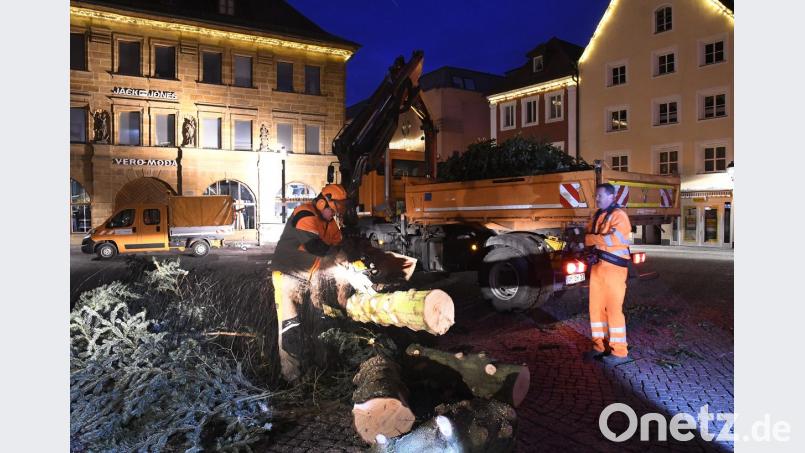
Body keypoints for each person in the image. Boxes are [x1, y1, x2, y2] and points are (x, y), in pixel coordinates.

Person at [270, 183, 349, 381]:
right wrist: (337, 255)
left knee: (319, 323)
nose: (333, 215)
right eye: (332, 210)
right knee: (291, 328)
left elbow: (340, 245)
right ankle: (292, 378)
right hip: (288, 276)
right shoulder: (304, 214)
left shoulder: (330, 223)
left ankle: (318, 371)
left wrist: (349, 257)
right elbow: (316, 247)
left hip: (311, 278)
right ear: (323, 202)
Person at [584, 183, 633, 365]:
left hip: (614, 269)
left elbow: (614, 239)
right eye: (596, 196)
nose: (597, 199)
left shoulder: (620, 216)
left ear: (611, 197)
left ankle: (619, 352)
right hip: (598, 268)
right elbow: (588, 232)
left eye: (600, 196)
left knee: (613, 310)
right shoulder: (598, 215)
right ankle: (599, 346)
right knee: (595, 309)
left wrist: (590, 239)